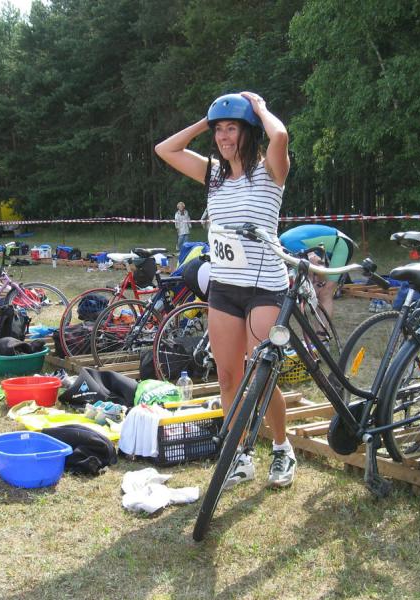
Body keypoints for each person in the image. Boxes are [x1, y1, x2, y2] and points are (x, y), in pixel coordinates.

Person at [155, 91, 295, 488]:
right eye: (219, 130)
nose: (223, 137)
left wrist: (260, 109)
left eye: (231, 128)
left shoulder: (270, 171)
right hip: (225, 287)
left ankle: (282, 448)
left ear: (249, 131)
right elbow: (165, 149)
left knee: (261, 373)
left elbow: (280, 137)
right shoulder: (213, 174)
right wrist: (208, 118)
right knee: (229, 376)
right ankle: (239, 455)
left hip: (265, 287)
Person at [279, 224, 356, 318]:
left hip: (341, 244)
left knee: (325, 293)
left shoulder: (290, 244)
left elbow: (317, 263)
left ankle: (323, 328)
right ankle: (315, 326)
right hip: (325, 247)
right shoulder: (282, 244)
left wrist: (319, 282)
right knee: (311, 292)